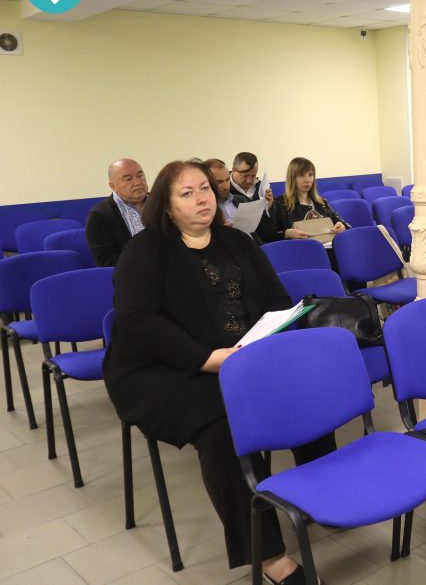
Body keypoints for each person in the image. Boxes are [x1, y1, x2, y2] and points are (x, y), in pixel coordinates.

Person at [103, 160, 334, 585]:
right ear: (166, 206)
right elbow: (138, 322)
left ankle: (324, 498)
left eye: (205, 189)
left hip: (241, 358)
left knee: (305, 393)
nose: (201, 199)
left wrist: (270, 341)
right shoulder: (146, 250)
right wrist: (207, 359)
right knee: (225, 424)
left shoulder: (238, 241)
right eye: (186, 193)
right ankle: (269, 555)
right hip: (165, 369)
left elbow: (277, 299)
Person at [85, 158, 148, 267]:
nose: (138, 182)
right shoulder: (99, 216)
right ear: (113, 186)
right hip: (133, 273)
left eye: (140, 176)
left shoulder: (163, 204)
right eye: (128, 179)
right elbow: (107, 263)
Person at [268, 157, 349, 241]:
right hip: (298, 247)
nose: (308, 180)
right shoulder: (280, 203)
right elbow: (269, 236)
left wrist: (342, 226)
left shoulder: (321, 202)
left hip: (326, 247)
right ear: (292, 178)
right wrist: (286, 234)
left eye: (310, 175)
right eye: (302, 175)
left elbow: (344, 225)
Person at [229, 151, 276, 242]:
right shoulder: (224, 190)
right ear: (234, 170)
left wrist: (269, 209)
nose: (249, 180)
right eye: (245, 176)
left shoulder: (262, 188)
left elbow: (271, 233)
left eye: (253, 175)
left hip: (262, 242)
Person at [204, 158, 235, 225]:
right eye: (219, 182)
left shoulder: (242, 200)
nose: (226, 186)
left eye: (227, 180)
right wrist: (222, 230)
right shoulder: (203, 210)